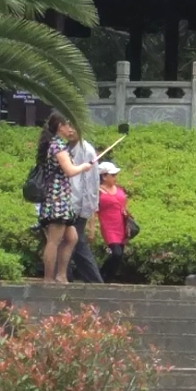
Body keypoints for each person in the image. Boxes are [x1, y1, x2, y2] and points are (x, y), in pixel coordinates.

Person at [35, 113, 95, 283]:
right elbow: (70, 170)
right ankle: (49, 278)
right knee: (54, 240)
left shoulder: (58, 145)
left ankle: (61, 275)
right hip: (57, 199)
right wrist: (83, 166)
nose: (71, 129)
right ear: (60, 127)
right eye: (68, 125)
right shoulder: (58, 146)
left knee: (72, 238)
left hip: (62, 198)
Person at [66, 129, 105, 284]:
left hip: (78, 205)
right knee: (72, 242)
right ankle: (68, 277)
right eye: (67, 126)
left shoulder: (86, 151)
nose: (70, 131)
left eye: (74, 127)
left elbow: (91, 182)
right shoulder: (65, 148)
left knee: (75, 242)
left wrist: (90, 212)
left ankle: (95, 281)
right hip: (67, 204)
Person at [93, 161, 130, 282]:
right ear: (104, 176)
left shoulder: (118, 189)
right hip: (108, 226)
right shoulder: (98, 191)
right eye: (112, 175)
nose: (115, 178)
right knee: (116, 253)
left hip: (121, 223)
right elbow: (94, 210)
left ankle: (108, 278)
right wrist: (92, 227)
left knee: (119, 255)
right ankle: (101, 273)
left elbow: (124, 202)